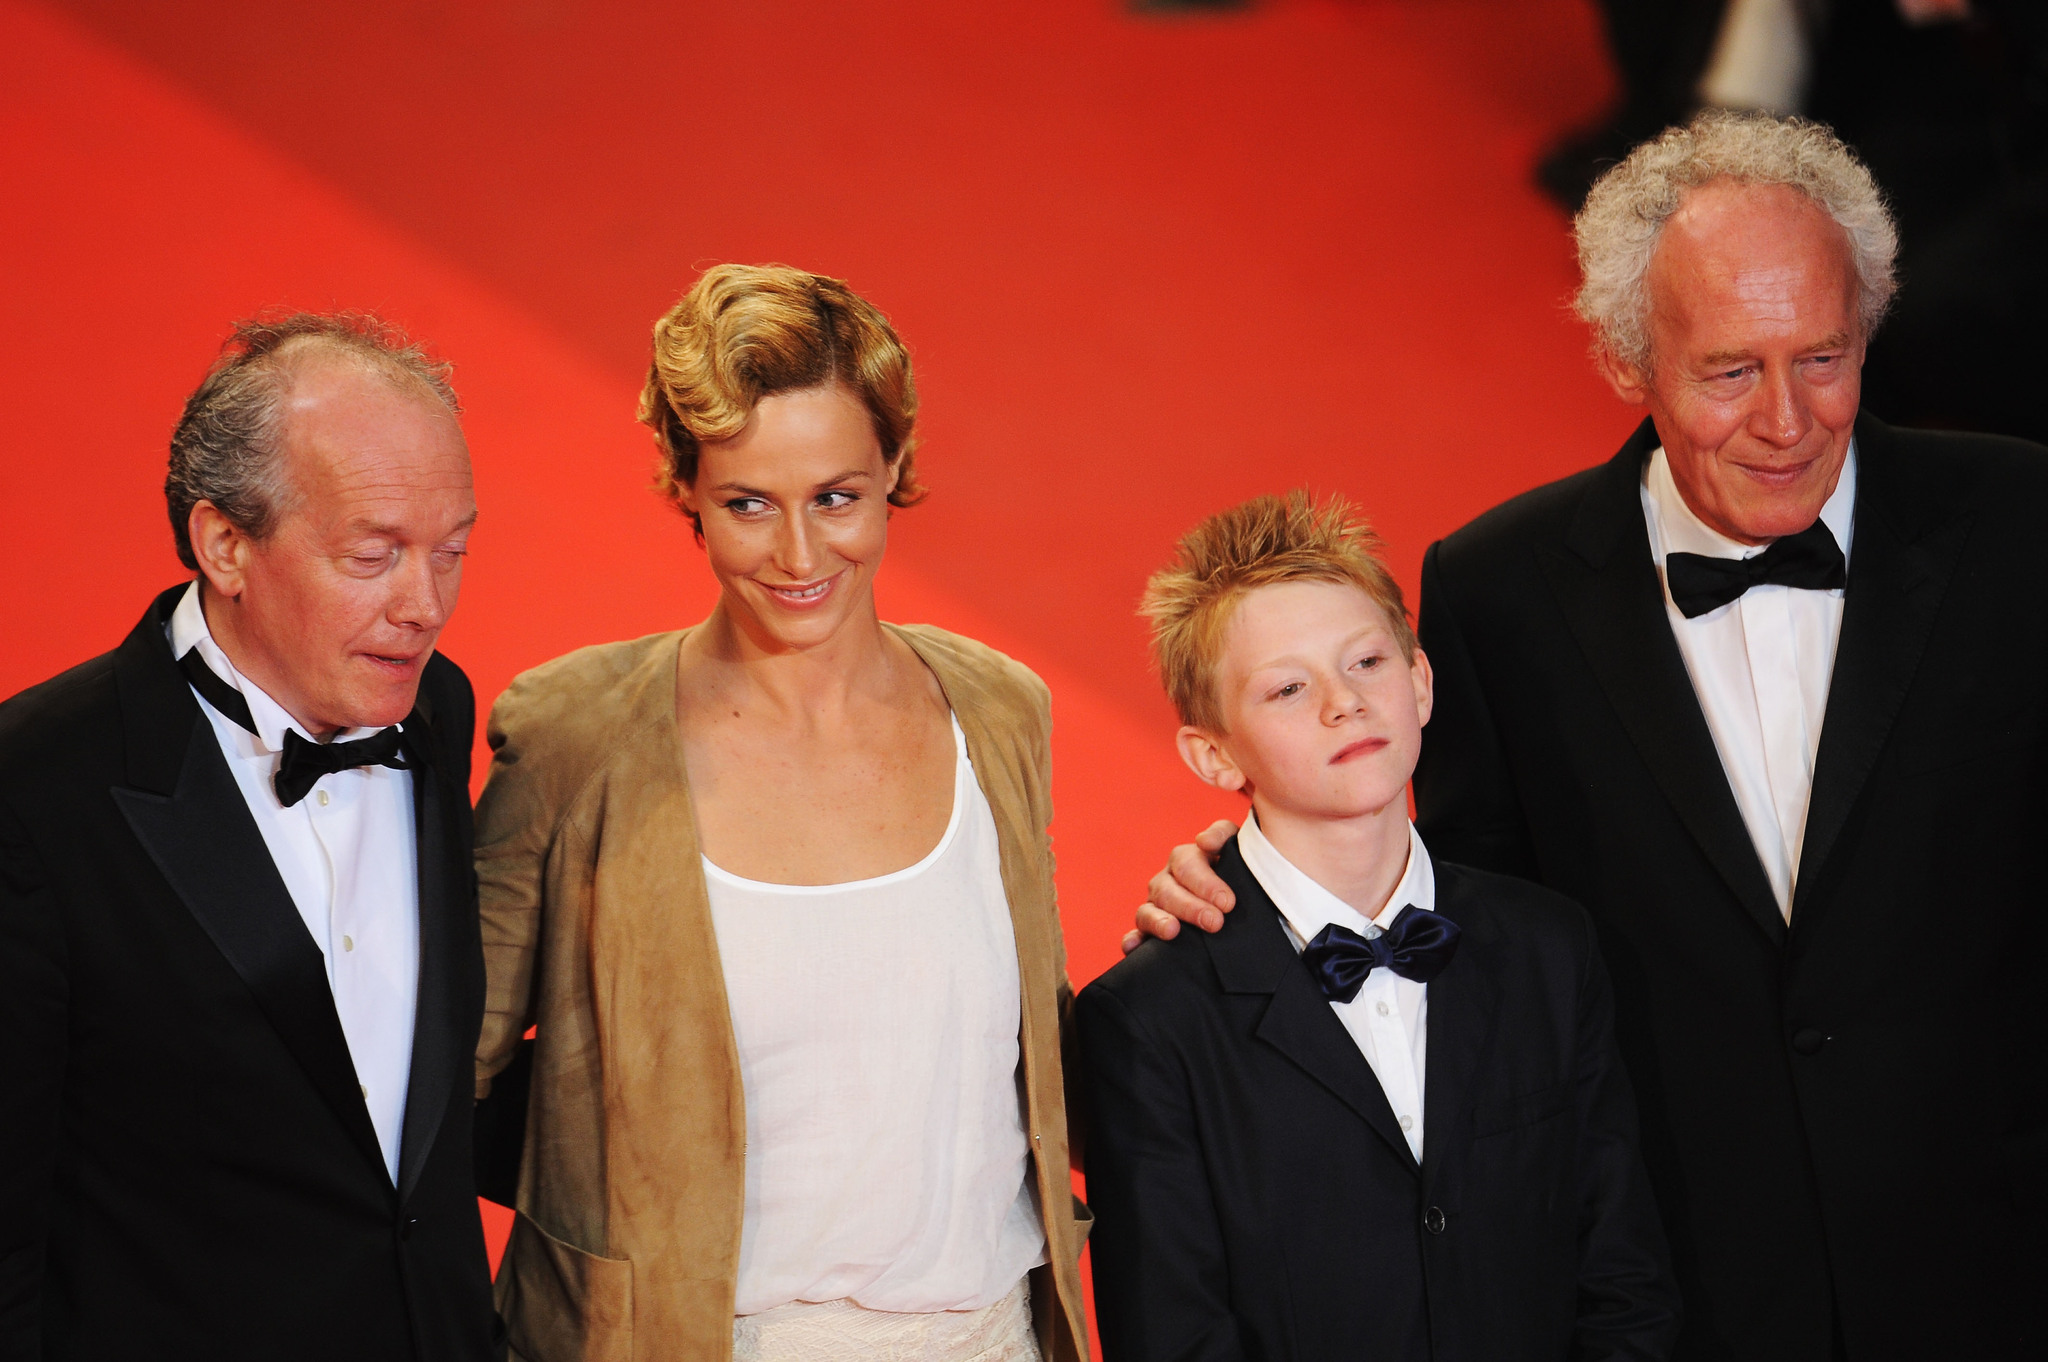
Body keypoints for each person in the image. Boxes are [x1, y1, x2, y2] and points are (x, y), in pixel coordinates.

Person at [1138, 111, 2048, 1360]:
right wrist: (1244, 884)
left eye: (1823, 358)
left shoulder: (2018, 526)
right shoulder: (1500, 589)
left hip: (1997, 1264)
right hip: (1682, 1283)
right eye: (1729, 371)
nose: (1787, 420)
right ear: (1628, 360)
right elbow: (1462, 918)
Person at [471, 265, 1089, 1362]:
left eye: (836, 498)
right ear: (685, 492)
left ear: (894, 467)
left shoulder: (998, 710)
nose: (800, 558)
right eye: (747, 504)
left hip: (993, 1335)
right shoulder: (575, 740)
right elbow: (444, 1076)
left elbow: (1030, 1041)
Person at [1077, 492, 1679, 1361]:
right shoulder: (1149, 1019)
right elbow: (1173, 1334)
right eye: (1288, 688)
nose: (1343, 704)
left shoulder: (1551, 947)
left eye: (1365, 662)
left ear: (1421, 682)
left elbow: (1623, 1276)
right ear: (1213, 753)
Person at [0, 314, 499, 1360]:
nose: (425, 605)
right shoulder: (35, 785)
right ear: (224, 542)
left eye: (451, 551)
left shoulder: (437, 713)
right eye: (374, 555)